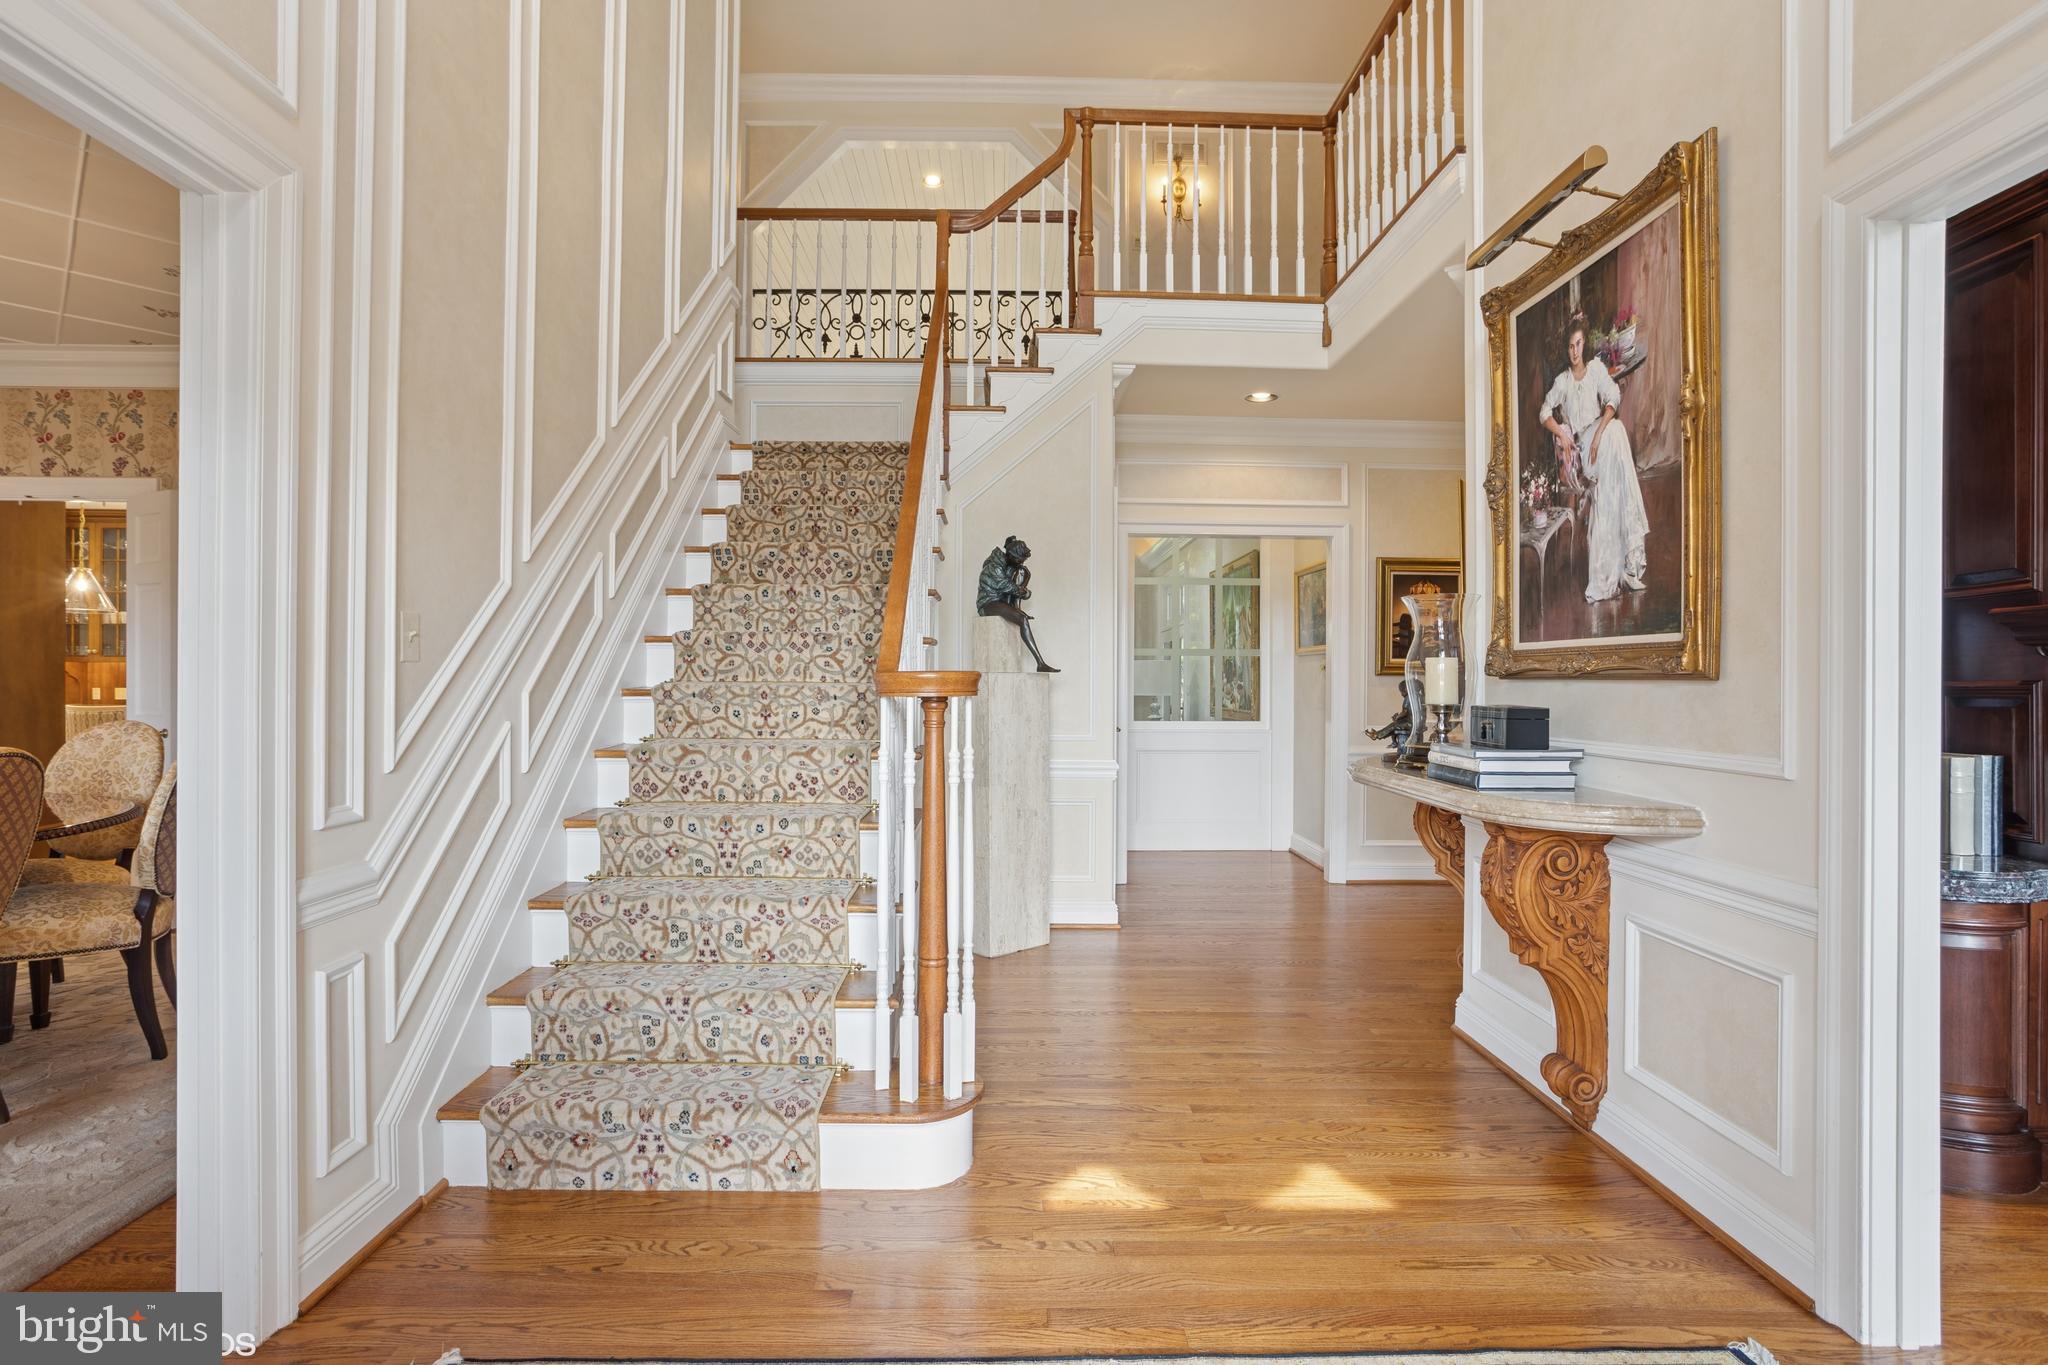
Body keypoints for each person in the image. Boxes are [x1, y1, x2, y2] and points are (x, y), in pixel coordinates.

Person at [1538, 314, 1649, 602]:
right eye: (1570, 347)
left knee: (1615, 434)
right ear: (1566, 349)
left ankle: (1623, 566)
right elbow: (1544, 413)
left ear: (1584, 344)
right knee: (1617, 433)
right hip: (1583, 450)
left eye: (1578, 345)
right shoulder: (1562, 381)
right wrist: (1562, 435)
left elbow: (1613, 398)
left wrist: (1599, 435)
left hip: (1601, 439)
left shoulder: (1597, 369)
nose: (1575, 351)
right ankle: (1612, 571)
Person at [976, 535, 1059, 672]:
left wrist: (1022, 593)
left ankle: (1041, 664)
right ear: (1012, 556)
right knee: (1022, 619)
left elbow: (1017, 592)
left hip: (999, 601)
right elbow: (1014, 590)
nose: (1022, 563)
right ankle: (1040, 663)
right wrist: (1027, 579)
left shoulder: (1009, 566)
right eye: (1021, 560)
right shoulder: (995, 568)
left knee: (1021, 617)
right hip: (987, 604)